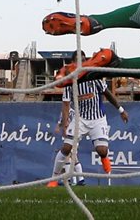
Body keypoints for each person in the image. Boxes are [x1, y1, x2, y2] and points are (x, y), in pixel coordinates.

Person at [48, 54, 128, 186]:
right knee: (67, 148)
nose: (81, 64)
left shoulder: (94, 78)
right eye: (78, 61)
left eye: (83, 61)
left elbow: (107, 93)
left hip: (97, 118)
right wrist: (65, 123)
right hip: (80, 119)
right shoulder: (69, 82)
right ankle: (54, 179)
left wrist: (121, 110)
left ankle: (104, 158)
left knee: (102, 150)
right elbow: (66, 104)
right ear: (73, 63)